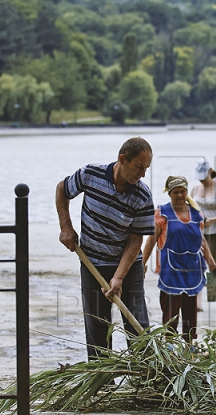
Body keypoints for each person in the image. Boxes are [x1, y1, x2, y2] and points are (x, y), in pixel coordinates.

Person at [56, 137, 154, 360]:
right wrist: (66, 227)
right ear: (123, 159)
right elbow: (62, 189)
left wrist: (118, 278)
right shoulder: (90, 174)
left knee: (137, 323)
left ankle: (147, 377)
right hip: (93, 264)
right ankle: (102, 381)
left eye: (146, 168)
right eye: (139, 167)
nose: (143, 174)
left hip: (128, 268)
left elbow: (135, 241)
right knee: (97, 326)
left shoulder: (142, 195)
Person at [142, 176, 216, 343]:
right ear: (169, 194)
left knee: (190, 312)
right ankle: (169, 345)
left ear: (186, 192)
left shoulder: (197, 215)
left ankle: (189, 345)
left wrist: (212, 263)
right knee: (170, 312)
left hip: (193, 269)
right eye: (175, 192)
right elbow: (151, 240)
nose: (179, 195)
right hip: (170, 270)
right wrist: (142, 264)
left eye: (182, 192)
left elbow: (202, 241)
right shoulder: (162, 213)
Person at [190, 159, 216, 310]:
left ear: (209, 172)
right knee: (197, 265)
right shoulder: (195, 189)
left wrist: (213, 220)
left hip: (215, 229)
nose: (201, 178)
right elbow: (190, 207)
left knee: (214, 263)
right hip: (198, 230)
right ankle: (197, 301)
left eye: (203, 175)